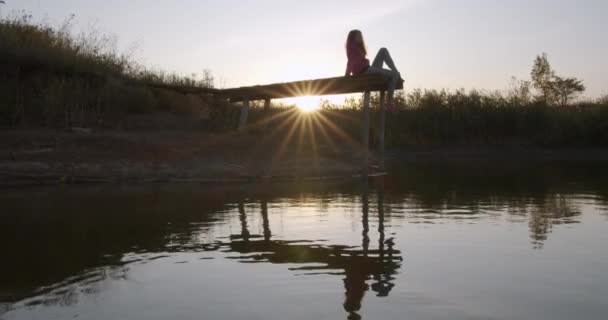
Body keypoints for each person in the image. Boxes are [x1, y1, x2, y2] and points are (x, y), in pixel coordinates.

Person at [345, 29, 402, 110]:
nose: (361, 37)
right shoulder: (352, 46)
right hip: (365, 72)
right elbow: (350, 62)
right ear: (353, 37)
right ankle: (389, 103)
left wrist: (347, 75)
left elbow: (350, 61)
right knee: (394, 75)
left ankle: (396, 74)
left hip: (368, 70)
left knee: (383, 50)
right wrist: (346, 76)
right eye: (359, 35)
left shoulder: (356, 47)